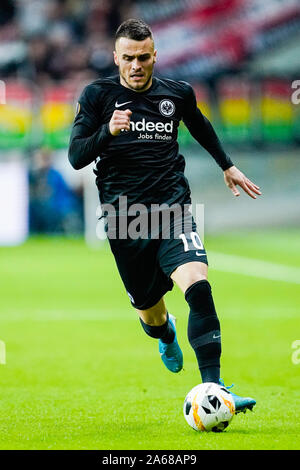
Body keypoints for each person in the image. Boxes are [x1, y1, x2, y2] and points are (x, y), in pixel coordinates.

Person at [68, 18, 261, 414]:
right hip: (125, 221)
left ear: (154, 56)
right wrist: (108, 132)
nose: (136, 65)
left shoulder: (177, 93)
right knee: (152, 316)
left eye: (143, 57)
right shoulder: (97, 96)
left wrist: (227, 164)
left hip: (173, 210)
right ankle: (165, 333)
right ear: (116, 58)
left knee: (199, 286)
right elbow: (76, 156)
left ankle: (214, 389)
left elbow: (200, 125)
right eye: (128, 58)